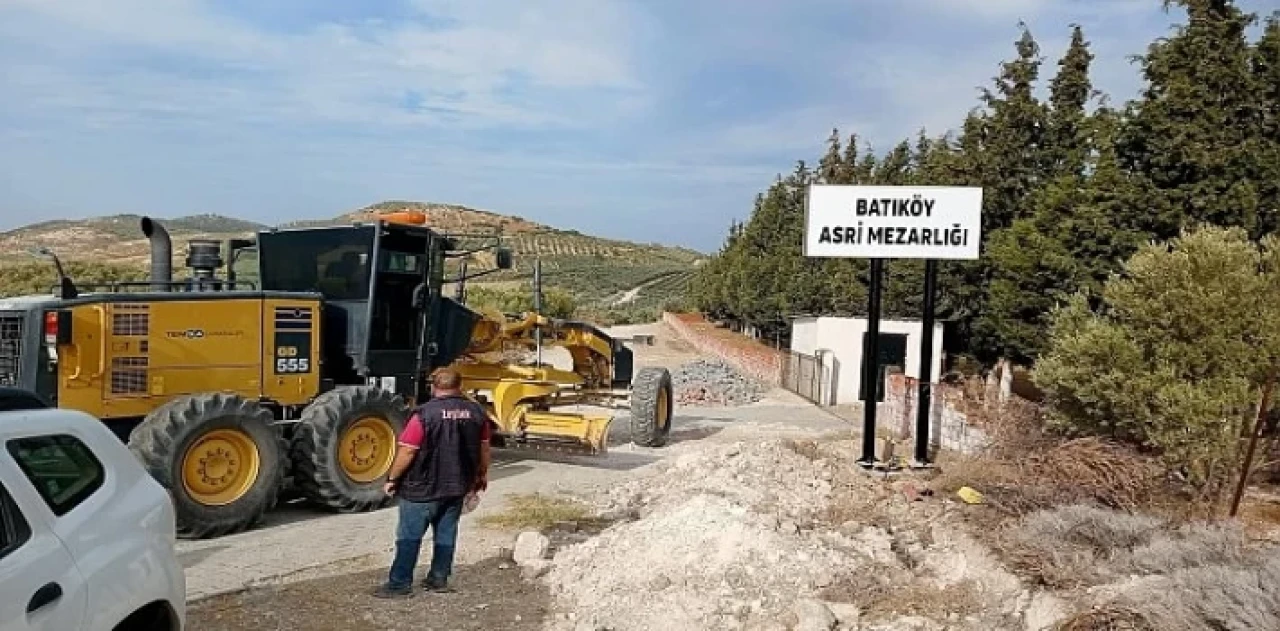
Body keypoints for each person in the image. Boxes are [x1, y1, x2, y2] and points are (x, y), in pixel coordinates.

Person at [374, 368, 491, 598]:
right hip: (457, 486)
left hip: (421, 488)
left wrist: (392, 479)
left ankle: (399, 585)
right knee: (446, 534)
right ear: (460, 386)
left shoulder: (424, 414)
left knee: (409, 537)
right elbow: (484, 448)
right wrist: (481, 476)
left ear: (433, 387)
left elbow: (407, 452)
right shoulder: (477, 413)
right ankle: (439, 579)